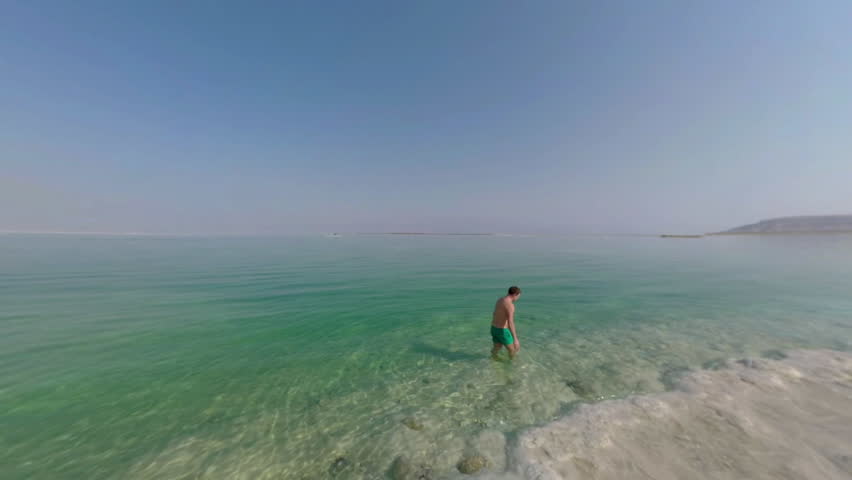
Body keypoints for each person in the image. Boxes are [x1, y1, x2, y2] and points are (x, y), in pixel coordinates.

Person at [491, 286, 521, 358]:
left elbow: (494, 313)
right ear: (514, 295)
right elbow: (511, 322)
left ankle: (493, 359)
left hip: (494, 328)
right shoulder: (510, 305)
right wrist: (515, 339)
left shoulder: (500, 300)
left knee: (497, 348)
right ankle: (511, 366)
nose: (517, 299)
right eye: (518, 297)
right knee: (512, 350)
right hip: (502, 331)